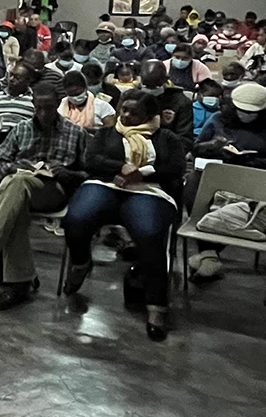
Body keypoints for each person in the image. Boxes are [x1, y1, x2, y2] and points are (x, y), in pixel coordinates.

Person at [62, 91, 188, 341]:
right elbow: (91, 159)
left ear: (150, 116)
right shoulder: (108, 133)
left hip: (150, 191)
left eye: (134, 112)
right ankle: (81, 262)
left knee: (150, 233)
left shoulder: (166, 138)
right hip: (107, 185)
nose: (127, 115)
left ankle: (156, 306)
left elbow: (176, 168)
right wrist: (119, 167)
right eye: (124, 109)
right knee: (76, 218)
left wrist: (143, 173)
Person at [0, 82, 86, 307]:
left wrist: (68, 173)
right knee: (17, 192)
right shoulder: (21, 128)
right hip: (17, 187)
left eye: (49, 108)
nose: (44, 113)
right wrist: (15, 167)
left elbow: (86, 173)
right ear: (33, 106)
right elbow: (0, 161)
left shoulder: (75, 132)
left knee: (16, 186)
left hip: (52, 190)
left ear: (57, 106)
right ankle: (19, 283)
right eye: (39, 108)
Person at [195, 80, 266, 166]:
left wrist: (252, 160)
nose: (246, 115)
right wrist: (211, 146)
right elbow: (195, 149)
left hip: (253, 173)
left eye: (251, 112)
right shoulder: (218, 119)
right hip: (219, 168)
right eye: (242, 111)